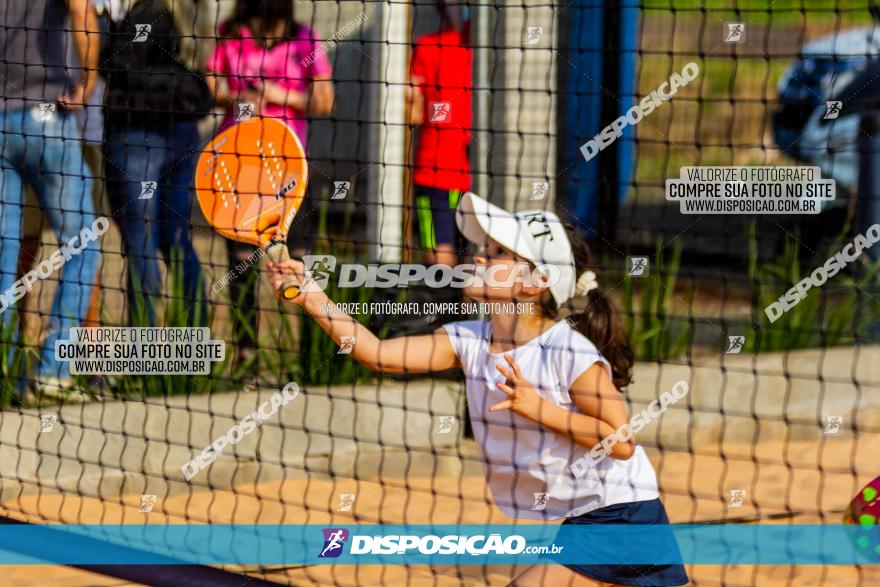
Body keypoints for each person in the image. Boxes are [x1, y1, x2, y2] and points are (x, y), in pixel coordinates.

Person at [266, 192, 688, 586]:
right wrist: (311, 296)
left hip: (618, 513)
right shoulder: (468, 339)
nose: (479, 256)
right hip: (582, 517)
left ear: (536, 281)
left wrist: (539, 408)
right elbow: (376, 353)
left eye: (498, 252)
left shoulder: (567, 350)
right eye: (485, 248)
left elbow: (621, 441)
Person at [205, 0, 334, 374]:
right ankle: (248, 355)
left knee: (302, 258)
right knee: (242, 263)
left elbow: (325, 100)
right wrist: (238, 98)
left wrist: (281, 96)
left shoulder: (305, 40)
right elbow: (212, 82)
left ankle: (316, 353)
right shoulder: (232, 35)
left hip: (290, 172)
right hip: (240, 169)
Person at [0, 0, 101, 396]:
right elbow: (81, 10)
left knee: (4, 252)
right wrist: (89, 81)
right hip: (47, 116)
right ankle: (54, 371)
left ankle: (5, 373)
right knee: (82, 245)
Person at [101, 0, 212, 327]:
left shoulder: (150, 12)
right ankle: (194, 350)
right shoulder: (189, 12)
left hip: (139, 136)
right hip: (180, 134)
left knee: (141, 242)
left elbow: (115, 61)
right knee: (174, 239)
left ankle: (144, 363)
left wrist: (106, 33)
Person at [407, 1, 473, 268]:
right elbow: (413, 114)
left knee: (476, 262)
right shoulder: (428, 46)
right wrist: (406, 96)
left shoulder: (485, 45)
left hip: (474, 176)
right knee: (441, 264)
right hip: (435, 173)